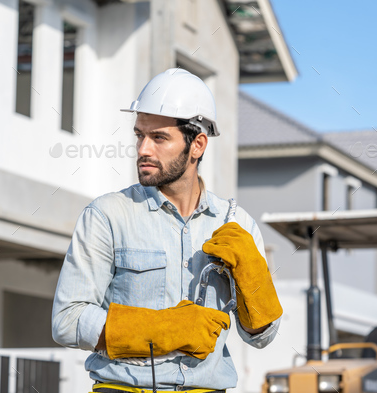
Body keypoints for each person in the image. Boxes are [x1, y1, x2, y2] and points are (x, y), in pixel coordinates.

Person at [51, 68, 283, 393]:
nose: (143, 149)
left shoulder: (238, 225)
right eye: (139, 135)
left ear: (197, 145)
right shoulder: (107, 215)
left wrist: (252, 277)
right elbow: (66, 321)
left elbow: (263, 338)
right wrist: (160, 329)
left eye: (159, 138)